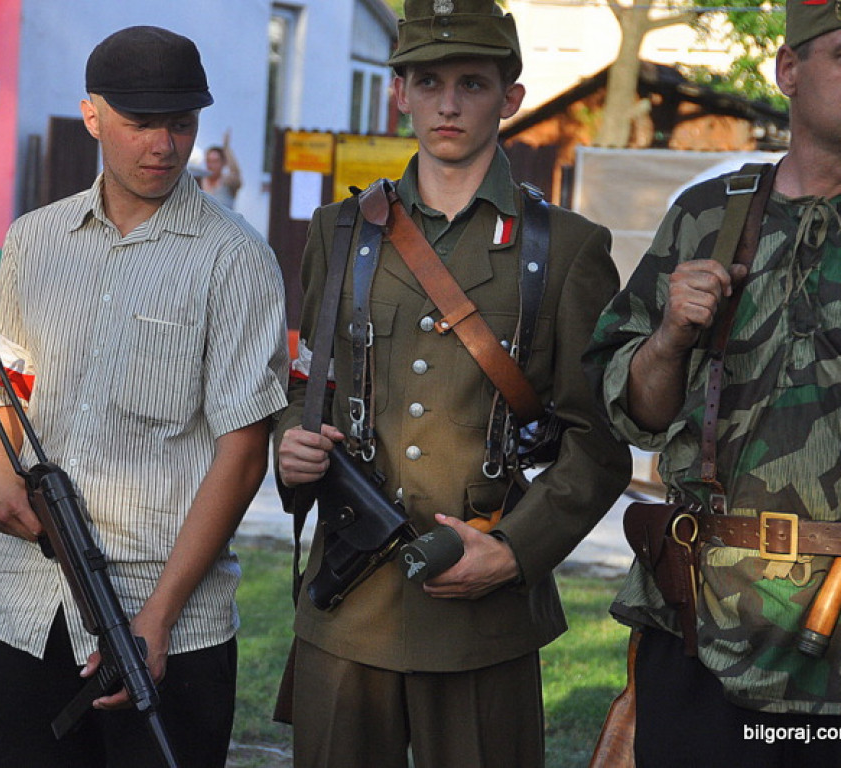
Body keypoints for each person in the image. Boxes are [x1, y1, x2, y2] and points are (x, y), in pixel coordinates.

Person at [274, 1, 631, 765]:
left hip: (485, 617)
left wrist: (513, 552)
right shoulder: (338, 232)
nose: (446, 102)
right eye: (427, 80)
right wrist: (289, 444)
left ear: (510, 98)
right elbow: (306, 386)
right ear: (399, 91)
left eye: (471, 82)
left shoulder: (569, 250)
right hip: (351, 607)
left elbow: (598, 445)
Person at [0, 25, 288, 768]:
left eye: (181, 124)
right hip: (22, 605)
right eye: (142, 122)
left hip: (165, 622)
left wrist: (158, 616)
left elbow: (242, 454)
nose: (165, 145)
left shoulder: (236, 260)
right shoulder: (32, 240)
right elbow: (9, 380)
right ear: (93, 116)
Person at [584, 1, 841, 764]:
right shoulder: (708, 216)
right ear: (788, 71)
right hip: (702, 618)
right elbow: (631, 412)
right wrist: (668, 336)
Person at [200, 128, 242, 209]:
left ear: (223, 163)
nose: (211, 165)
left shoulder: (228, 181)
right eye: (209, 161)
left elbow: (236, 173)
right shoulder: (200, 181)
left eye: (215, 161)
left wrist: (226, 148)